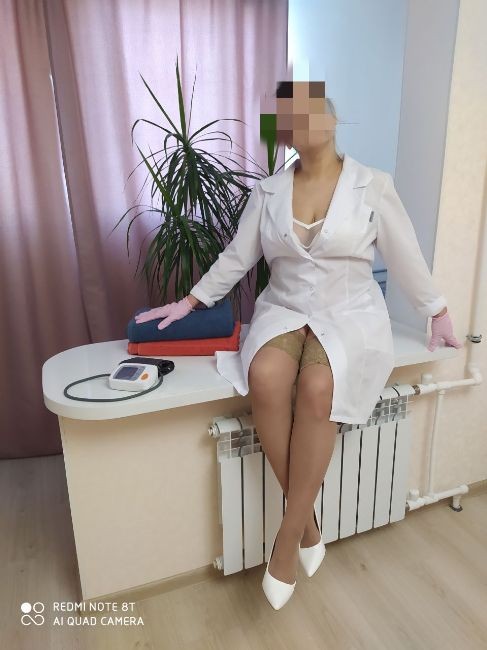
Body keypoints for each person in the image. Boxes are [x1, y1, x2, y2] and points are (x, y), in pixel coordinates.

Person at [135, 80, 462, 609]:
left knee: (317, 387)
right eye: (286, 117)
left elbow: (405, 254)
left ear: (331, 120)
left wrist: (437, 310)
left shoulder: (372, 185)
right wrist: (190, 302)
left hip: (349, 313)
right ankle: (307, 523)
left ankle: (286, 541)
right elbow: (236, 258)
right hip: (284, 308)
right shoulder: (268, 192)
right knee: (264, 376)